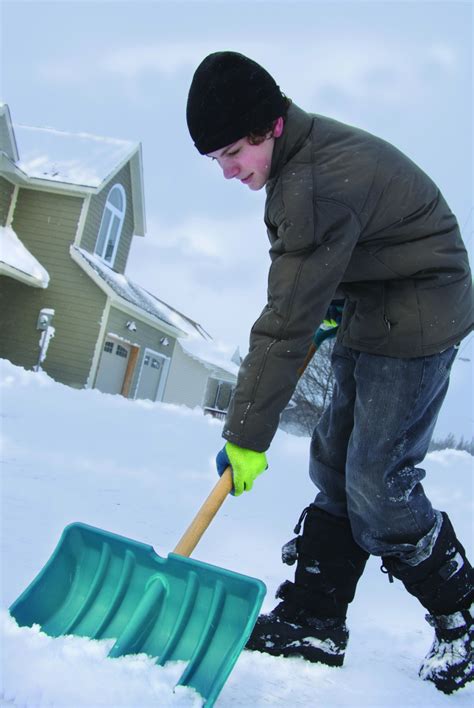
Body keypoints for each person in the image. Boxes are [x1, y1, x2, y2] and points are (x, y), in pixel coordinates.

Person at [186, 51, 473, 694]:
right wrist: (335, 303)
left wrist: (246, 433)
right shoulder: (298, 165)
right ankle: (314, 616)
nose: (228, 171)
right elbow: (320, 279)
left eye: (233, 152)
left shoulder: (314, 181)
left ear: (270, 127)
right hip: (372, 299)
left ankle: (466, 617)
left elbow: (285, 318)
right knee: (336, 458)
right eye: (216, 160)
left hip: (423, 307)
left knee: (378, 478)